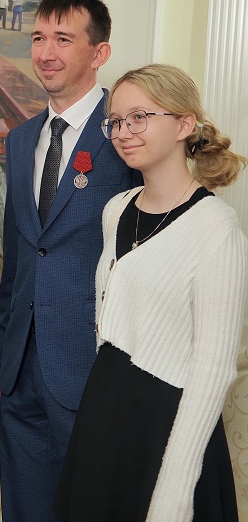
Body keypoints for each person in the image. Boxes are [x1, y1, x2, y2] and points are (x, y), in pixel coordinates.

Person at [55, 64, 247, 521]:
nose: (123, 132)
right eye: (116, 121)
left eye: (139, 117)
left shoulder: (216, 228)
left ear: (183, 125)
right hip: (104, 413)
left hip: (169, 424)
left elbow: (214, 369)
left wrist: (175, 491)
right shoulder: (116, 210)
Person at [0, 0, 139, 522]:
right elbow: (18, 253)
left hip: (93, 362)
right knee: (25, 505)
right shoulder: (20, 139)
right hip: (21, 367)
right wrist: (5, 358)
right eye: (39, 38)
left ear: (99, 53)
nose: (46, 53)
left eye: (63, 39)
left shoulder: (125, 133)